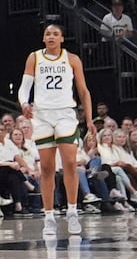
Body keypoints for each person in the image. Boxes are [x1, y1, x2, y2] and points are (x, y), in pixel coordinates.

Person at [18, 23, 93, 240]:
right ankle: (49, 215)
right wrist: (24, 103)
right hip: (42, 115)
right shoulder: (34, 57)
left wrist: (89, 120)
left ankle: (72, 210)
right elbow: (24, 87)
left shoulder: (72, 59)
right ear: (43, 39)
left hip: (65, 113)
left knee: (70, 162)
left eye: (55, 34)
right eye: (47, 34)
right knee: (48, 167)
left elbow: (83, 91)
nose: (51, 37)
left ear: (62, 39)